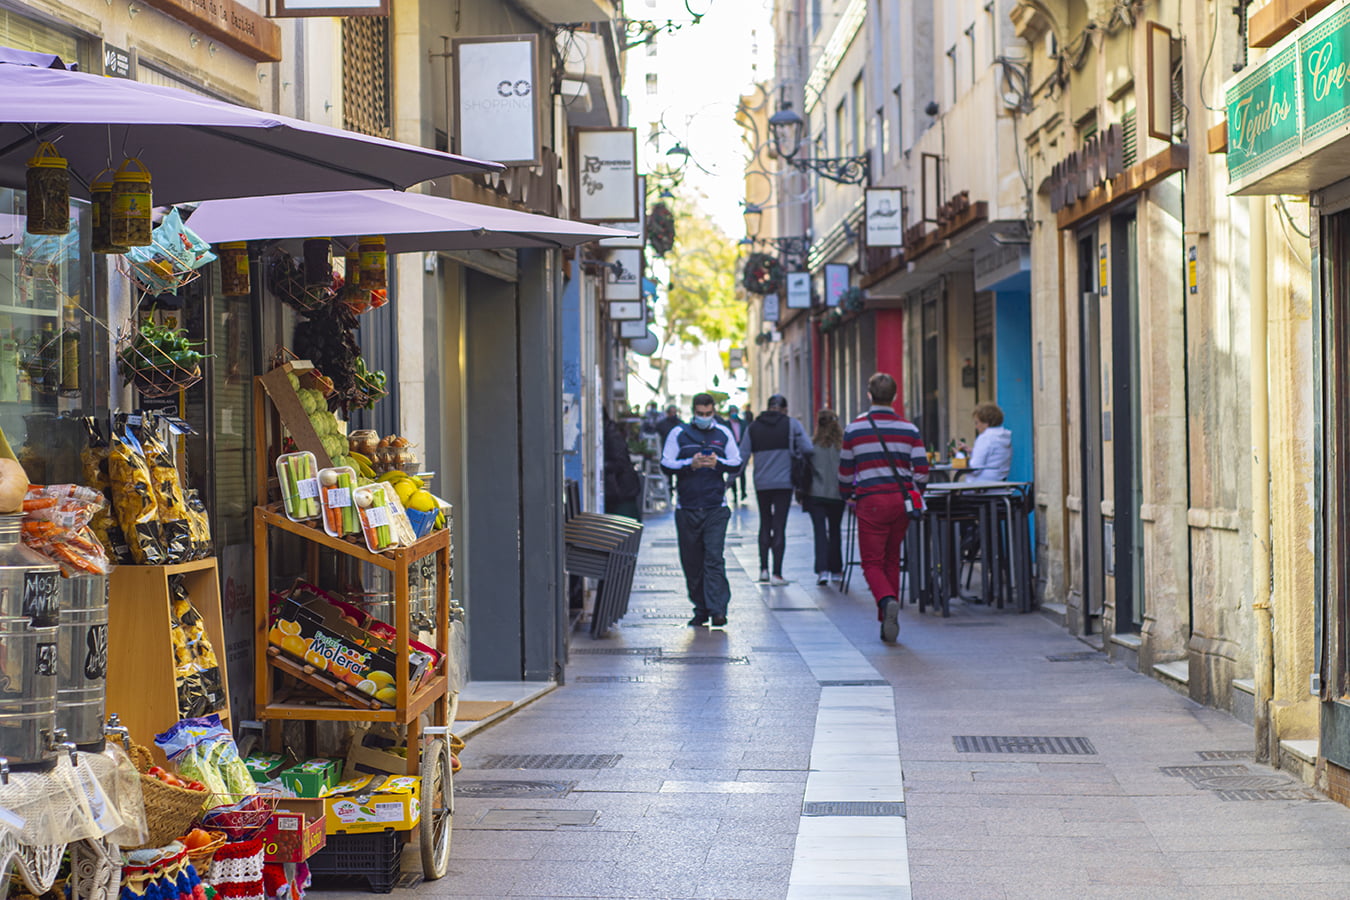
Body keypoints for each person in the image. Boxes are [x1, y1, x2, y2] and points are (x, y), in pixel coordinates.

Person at [839, 373, 928, 643]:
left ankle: (886, 599)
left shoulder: (855, 429)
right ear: (895, 396)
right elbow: (922, 472)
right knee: (892, 558)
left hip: (871, 502)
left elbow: (845, 471)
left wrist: (848, 495)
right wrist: (915, 493)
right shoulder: (909, 430)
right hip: (900, 502)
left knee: (872, 562)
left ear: (869, 395)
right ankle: (887, 617)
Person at [661, 393, 742, 627]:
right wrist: (690, 464)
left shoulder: (723, 433)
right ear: (693, 412)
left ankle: (718, 610)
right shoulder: (679, 433)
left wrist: (718, 463)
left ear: (714, 411)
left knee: (714, 558)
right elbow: (666, 463)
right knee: (692, 560)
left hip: (715, 507)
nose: (705, 417)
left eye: (708, 414)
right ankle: (701, 608)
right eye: (700, 414)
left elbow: (736, 462)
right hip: (687, 507)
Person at [740, 394, 813, 585]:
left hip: (761, 483)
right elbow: (807, 448)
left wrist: (728, 481)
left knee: (765, 523)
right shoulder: (792, 425)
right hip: (783, 483)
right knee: (779, 525)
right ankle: (777, 574)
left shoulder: (753, 427)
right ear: (785, 409)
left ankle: (763, 570)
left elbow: (743, 455)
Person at [803, 409, 846, 585]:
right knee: (835, 531)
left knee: (819, 532)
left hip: (816, 494)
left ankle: (822, 570)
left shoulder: (812, 447)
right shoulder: (842, 448)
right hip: (837, 495)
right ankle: (836, 569)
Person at [955, 403, 1012, 484]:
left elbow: (975, 469)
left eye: (977, 423)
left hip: (979, 486)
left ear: (986, 423)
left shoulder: (985, 438)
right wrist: (973, 452)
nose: (976, 427)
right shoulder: (1003, 437)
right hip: (998, 485)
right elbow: (993, 458)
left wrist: (959, 455)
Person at [603, 410, 642, 520]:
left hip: (620, 492)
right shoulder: (610, 431)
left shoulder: (610, 433)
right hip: (621, 491)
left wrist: (600, 466)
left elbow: (620, 462)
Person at [721, 405, 747, 503]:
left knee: (742, 471)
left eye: (735, 411)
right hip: (731, 450)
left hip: (742, 448)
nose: (734, 413)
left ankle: (743, 492)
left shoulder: (743, 423)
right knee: (733, 471)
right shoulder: (726, 424)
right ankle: (735, 493)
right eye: (732, 411)